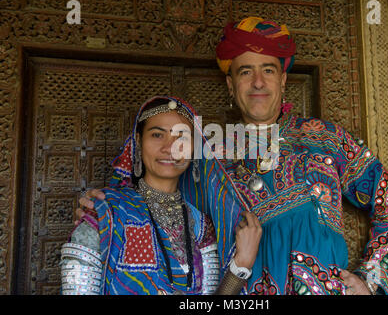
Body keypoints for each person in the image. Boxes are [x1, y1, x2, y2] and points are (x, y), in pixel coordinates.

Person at [78, 17, 388, 295]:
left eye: (268, 70)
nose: (258, 82)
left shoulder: (326, 139)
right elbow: (150, 190)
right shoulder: (208, 154)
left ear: (283, 80)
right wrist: (105, 204)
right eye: (244, 72)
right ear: (230, 85)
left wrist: (372, 282)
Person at [61, 96, 262, 295]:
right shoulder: (105, 214)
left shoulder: (201, 226)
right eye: (157, 135)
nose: (169, 148)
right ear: (138, 141)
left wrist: (240, 265)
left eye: (182, 137)